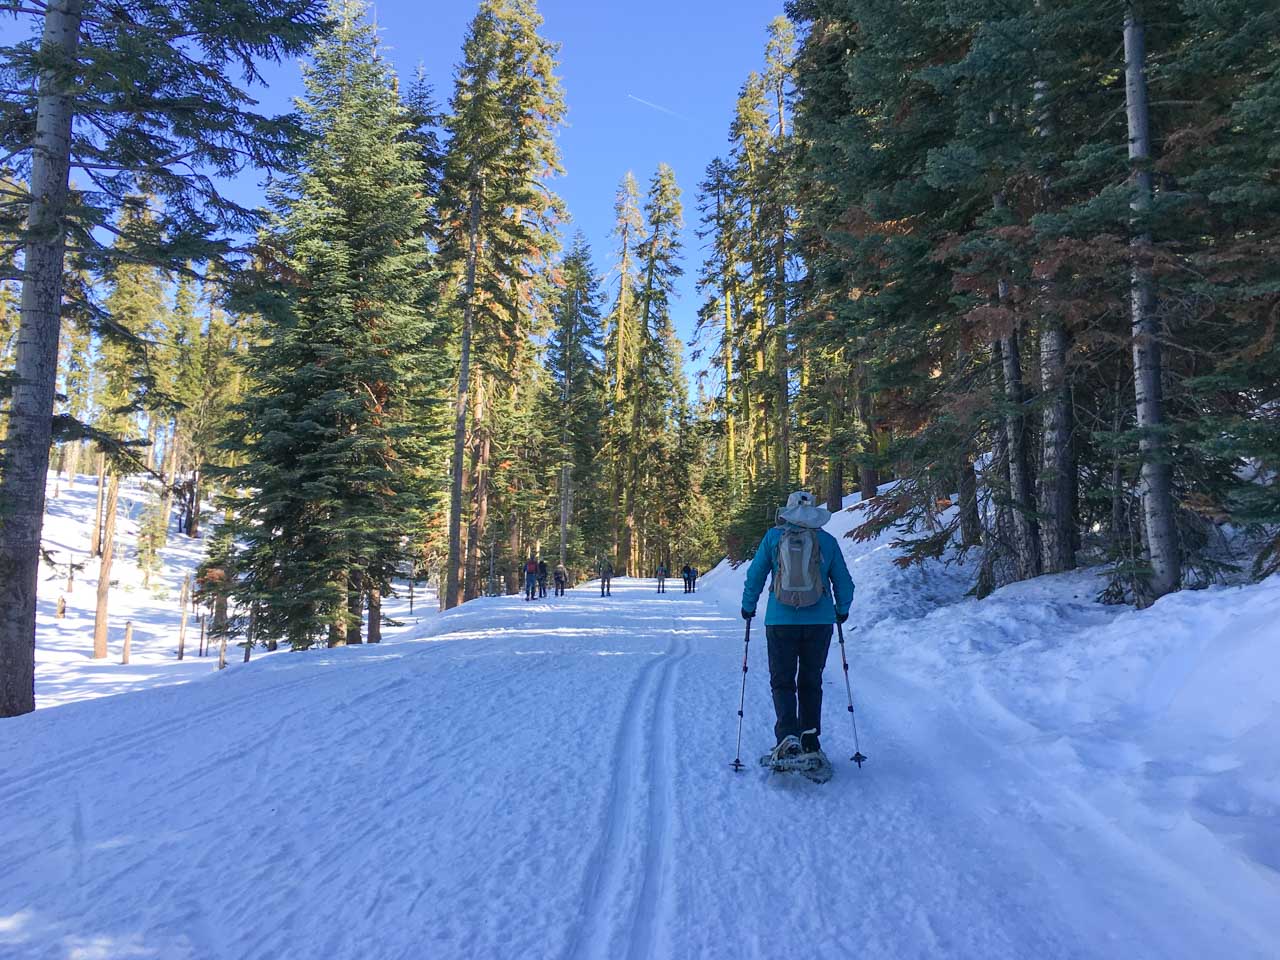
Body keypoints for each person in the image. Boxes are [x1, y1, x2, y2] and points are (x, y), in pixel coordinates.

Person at [741, 491, 854, 765]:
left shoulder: (773, 538)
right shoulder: (827, 541)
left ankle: (787, 738)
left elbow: (755, 575)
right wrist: (841, 610)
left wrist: (748, 606)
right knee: (811, 681)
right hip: (820, 622)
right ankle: (810, 740)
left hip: (780, 621)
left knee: (782, 681)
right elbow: (845, 583)